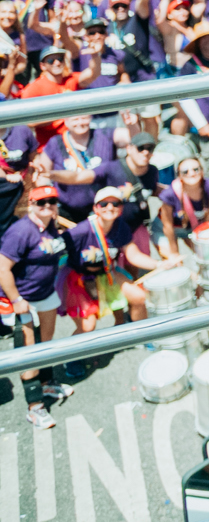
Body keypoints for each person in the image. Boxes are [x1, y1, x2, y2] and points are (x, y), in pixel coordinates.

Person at [1, 180, 75, 429]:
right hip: (24, 300)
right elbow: (2, 268)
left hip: (45, 293)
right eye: (41, 202)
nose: (47, 206)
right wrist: (17, 300)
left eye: (51, 201)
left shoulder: (52, 224)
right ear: (31, 204)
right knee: (29, 353)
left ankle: (47, 384)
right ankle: (35, 407)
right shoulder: (20, 232)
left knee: (47, 343)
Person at [63, 185, 157, 333]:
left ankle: (141, 336)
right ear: (96, 208)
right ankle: (75, 355)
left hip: (107, 273)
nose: (109, 208)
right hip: (79, 279)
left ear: (121, 209)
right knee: (88, 326)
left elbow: (133, 255)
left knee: (139, 297)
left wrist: (160, 264)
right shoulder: (80, 231)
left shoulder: (120, 226)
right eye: (104, 204)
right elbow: (58, 252)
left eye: (115, 204)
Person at [154, 154, 209, 263]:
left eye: (196, 169)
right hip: (165, 229)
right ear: (179, 175)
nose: (191, 173)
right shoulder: (169, 194)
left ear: (202, 171)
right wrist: (174, 252)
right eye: (185, 171)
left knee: (206, 258)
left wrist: (208, 243)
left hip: (190, 227)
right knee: (176, 264)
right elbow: (168, 226)